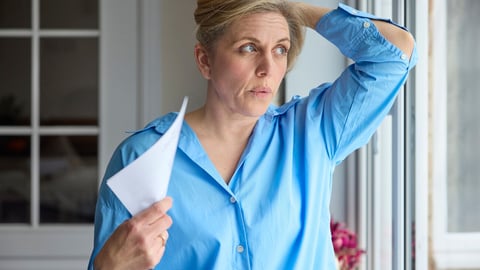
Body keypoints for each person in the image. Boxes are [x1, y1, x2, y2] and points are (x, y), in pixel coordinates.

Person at [88, 0, 417, 269]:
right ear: (205, 61)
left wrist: (289, 9)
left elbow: (394, 54)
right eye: (248, 48)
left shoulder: (315, 131)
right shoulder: (141, 156)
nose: (268, 68)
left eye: (280, 49)